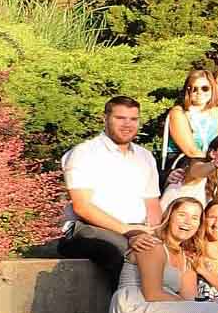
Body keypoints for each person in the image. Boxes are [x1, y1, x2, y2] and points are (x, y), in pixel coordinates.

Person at [53, 95, 164, 283]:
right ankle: (126, 308)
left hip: (135, 228)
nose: (127, 124)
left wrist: (154, 232)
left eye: (133, 119)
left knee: (163, 253)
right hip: (89, 228)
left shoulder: (145, 157)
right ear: (105, 118)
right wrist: (127, 231)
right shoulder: (84, 153)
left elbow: (152, 203)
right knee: (125, 254)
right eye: (120, 118)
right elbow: (83, 207)